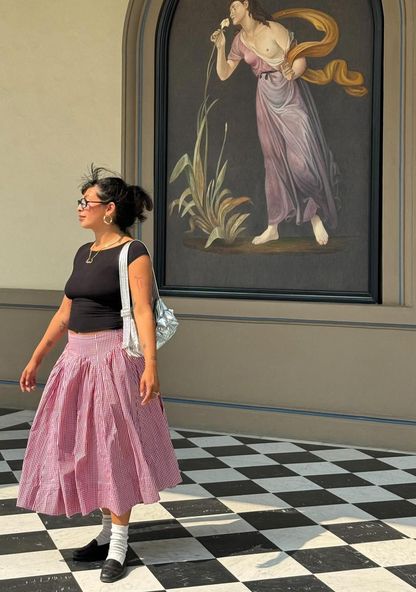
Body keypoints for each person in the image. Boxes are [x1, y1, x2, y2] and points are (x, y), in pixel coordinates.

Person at [16, 165, 182, 583]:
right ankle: (108, 533)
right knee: (84, 447)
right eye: (80, 201)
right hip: (75, 361)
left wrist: (151, 366)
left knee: (114, 447)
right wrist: (37, 358)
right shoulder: (82, 253)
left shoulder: (133, 252)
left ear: (108, 210)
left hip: (112, 361)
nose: (79, 208)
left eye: (85, 202)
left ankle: (120, 544)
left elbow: (143, 310)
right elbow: (64, 312)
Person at [211, 0, 341, 246]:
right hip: (265, 98)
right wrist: (221, 47)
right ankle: (274, 226)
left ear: (247, 5)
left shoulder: (272, 29)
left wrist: (294, 71)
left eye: (234, 7)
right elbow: (224, 73)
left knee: (301, 159)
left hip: (289, 95)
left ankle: (314, 217)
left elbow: (299, 59)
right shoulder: (239, 41)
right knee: (273, 160)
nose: (231, 12)